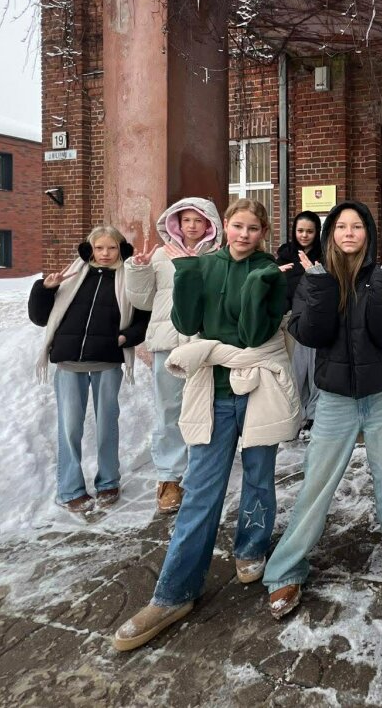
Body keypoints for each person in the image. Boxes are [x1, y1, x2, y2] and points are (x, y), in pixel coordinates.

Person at [113, 199, 300, 651]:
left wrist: (258, 285)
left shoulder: (270, 272)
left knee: (259, 476)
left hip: (257, 388)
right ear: (226, 227)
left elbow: (255, 335)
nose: (244, 235)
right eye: (238, 226)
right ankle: (173, 592)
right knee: (200, 488)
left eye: (253, 228)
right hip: (213, 392)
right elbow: (186, 322)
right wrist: (187, 274)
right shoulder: (204, 265)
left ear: (263, 232)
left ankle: (251, 547)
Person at [263, 201, 382, 620]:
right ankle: (285, 569)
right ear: (331, 235)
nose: (349, 233)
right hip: (335, 399)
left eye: (357, 226)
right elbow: (310, 333)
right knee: (316, 484)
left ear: (368, 233)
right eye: (341, 226)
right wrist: (319, 287)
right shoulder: (315, 279)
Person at [29, 226, 150, 515]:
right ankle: (70, 488)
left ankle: (108, 482)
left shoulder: (128, 277)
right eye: (99, 248)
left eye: (112, 248)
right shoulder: (73, 276)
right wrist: (45, 290)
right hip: (69, 362)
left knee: (107, 425)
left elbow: (143, 318)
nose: (105, 254)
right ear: (90, 249)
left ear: (121, 250)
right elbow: (40, 318)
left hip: (107, 361)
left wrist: (124, 338)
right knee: (70, 427)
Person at [125, 198, 225, 514]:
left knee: (203, 408)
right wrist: (138, 269)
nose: (192, 226)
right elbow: (142, 300)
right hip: (168, 342)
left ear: (209, 225)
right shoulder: (160, 255)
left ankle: (199, 470)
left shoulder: (218, 257)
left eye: (198, 220)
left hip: (202, 344)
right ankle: (169, 476)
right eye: (186, 220)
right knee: (168, 408)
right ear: (176, 224)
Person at [275, 210, 323, 431]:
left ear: (317, 232)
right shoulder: (285, 255)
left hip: (316, 320)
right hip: (292, 321)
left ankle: (313, 413)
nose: (304, 235)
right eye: (300, 230)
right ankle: (296, 413)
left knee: (315, 370)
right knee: (295, 370)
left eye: (309, 231)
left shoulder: (324, 255)